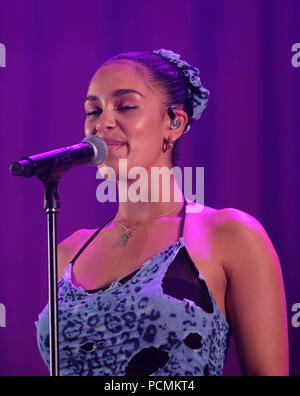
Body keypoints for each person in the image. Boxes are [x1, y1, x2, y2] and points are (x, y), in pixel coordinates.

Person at [36, 49, 289, 376]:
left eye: (125, 106)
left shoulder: (230, 235)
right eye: (93, 110)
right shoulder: (68, 252)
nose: (103, 122)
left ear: (174, 123)